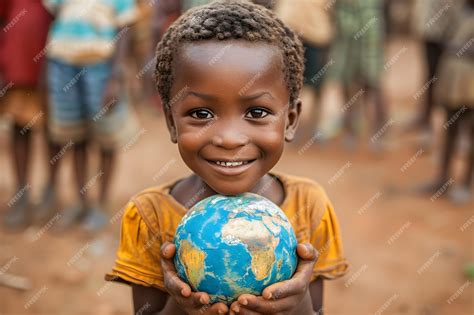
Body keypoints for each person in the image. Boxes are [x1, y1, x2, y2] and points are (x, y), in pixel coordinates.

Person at [105, 1, 348, 314]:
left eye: (257, 112)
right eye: (201, 113)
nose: (230, 139)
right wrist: (180, 307)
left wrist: (298, 303)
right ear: (171, 122)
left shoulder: (309, 207)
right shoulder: (149, 217)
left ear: (289, 120)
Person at [40, 0, 140, 230]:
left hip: (102, 67)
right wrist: (46, 71)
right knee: (75, 137)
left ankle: (101, 205)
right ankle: (82, 202)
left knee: (107, 137)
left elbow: (125, 29)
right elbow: (54, 20)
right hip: (63, 64)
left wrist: (116, 75)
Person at [0, 0, 52, 229]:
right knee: (20, 129)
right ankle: (22, 194)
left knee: (55, 133)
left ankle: (51, 193)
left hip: (56, 71)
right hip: (18, 69)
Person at [421, 0, 473, 204]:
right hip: (453, 74)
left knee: (471, 132)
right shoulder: (457, 10)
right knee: (450, 127)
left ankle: (466, 183)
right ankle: (442, 178)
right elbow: (440, 37)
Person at [328, 0, 387, 150]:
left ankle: (378, 131)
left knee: (372, 84)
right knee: (346, 82)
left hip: (369, 34)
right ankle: (351, 129)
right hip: (345, 37)